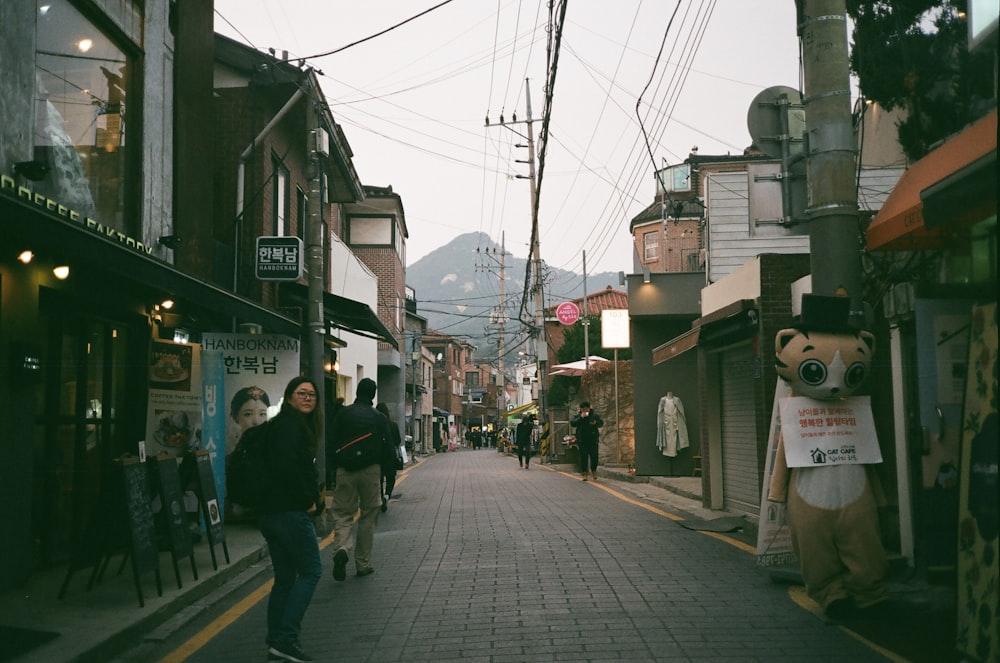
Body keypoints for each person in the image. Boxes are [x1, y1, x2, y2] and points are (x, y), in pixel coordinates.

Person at [258, 377, 324, 663]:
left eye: (311, 395)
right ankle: (286, 638)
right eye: (301, 393)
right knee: (311, 571)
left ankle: (276, 643)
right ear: (289, 396)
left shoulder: (281, 426)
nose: (307, 398)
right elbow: (286, 468)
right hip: (289, 512)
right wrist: (307, 500)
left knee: (285, 579)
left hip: (271, 513)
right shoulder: (291, 426)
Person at [329, 378, 393, 581]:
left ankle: (342, 548)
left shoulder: (343, 413)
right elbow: (388, 448)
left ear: (357, 392)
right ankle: (363, 563)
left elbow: (331, 441)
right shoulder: (379, 417)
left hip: (345, 470)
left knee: (342, 513)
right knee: (368, 516)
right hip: (371, 470)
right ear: (373, 394)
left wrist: (333, 468)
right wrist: (387, 475)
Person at [375, 402, 404, 512]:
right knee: (391, 478)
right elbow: (398, 441)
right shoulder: (393, 425)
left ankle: (381, 497)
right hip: (390, 456)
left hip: (377, 456)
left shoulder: (375, 425)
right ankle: (387, 496)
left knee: (379, 479)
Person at [571, 401, 603, 481]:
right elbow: (573, 423)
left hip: (593, 440)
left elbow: (601, 423)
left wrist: (595, 423)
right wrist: (581, 418)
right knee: (583, 457)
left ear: (589, 408)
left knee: (594, 456)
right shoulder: (578, 416)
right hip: (582, 440)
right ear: (581, 409)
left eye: (587, 409)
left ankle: (593, 470)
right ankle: (584, 473)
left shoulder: (594, 415)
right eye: (583, 409)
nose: (585, 411)